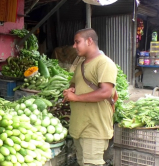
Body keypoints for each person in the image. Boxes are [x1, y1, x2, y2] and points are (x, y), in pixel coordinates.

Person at [63, 28, 117, 166]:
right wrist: (71, 90)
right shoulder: (81, 65)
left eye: (77, 42)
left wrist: (76, 98)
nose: (74, 46)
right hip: (79, 127)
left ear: (89, 41)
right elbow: (75, 84)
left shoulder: (104, 63)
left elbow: (105, 92)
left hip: (94, 128)